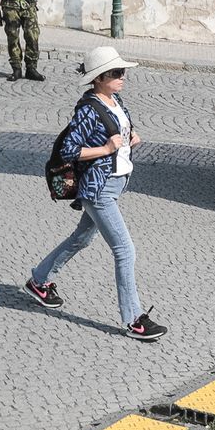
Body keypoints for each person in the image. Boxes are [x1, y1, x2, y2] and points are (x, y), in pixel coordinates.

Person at [26, 45, 168, 339]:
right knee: (124, 250)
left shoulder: (115, 100)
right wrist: (105, 149)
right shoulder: (88, 110)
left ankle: (39, 280)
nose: (123, 76)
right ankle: (134, 320)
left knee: (81, 238)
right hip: (98, 189)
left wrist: (130, 139)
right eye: (116, 73)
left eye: (123, 71)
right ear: (99, 77)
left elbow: (118, 133)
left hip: (115, 184)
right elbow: (68, 150)